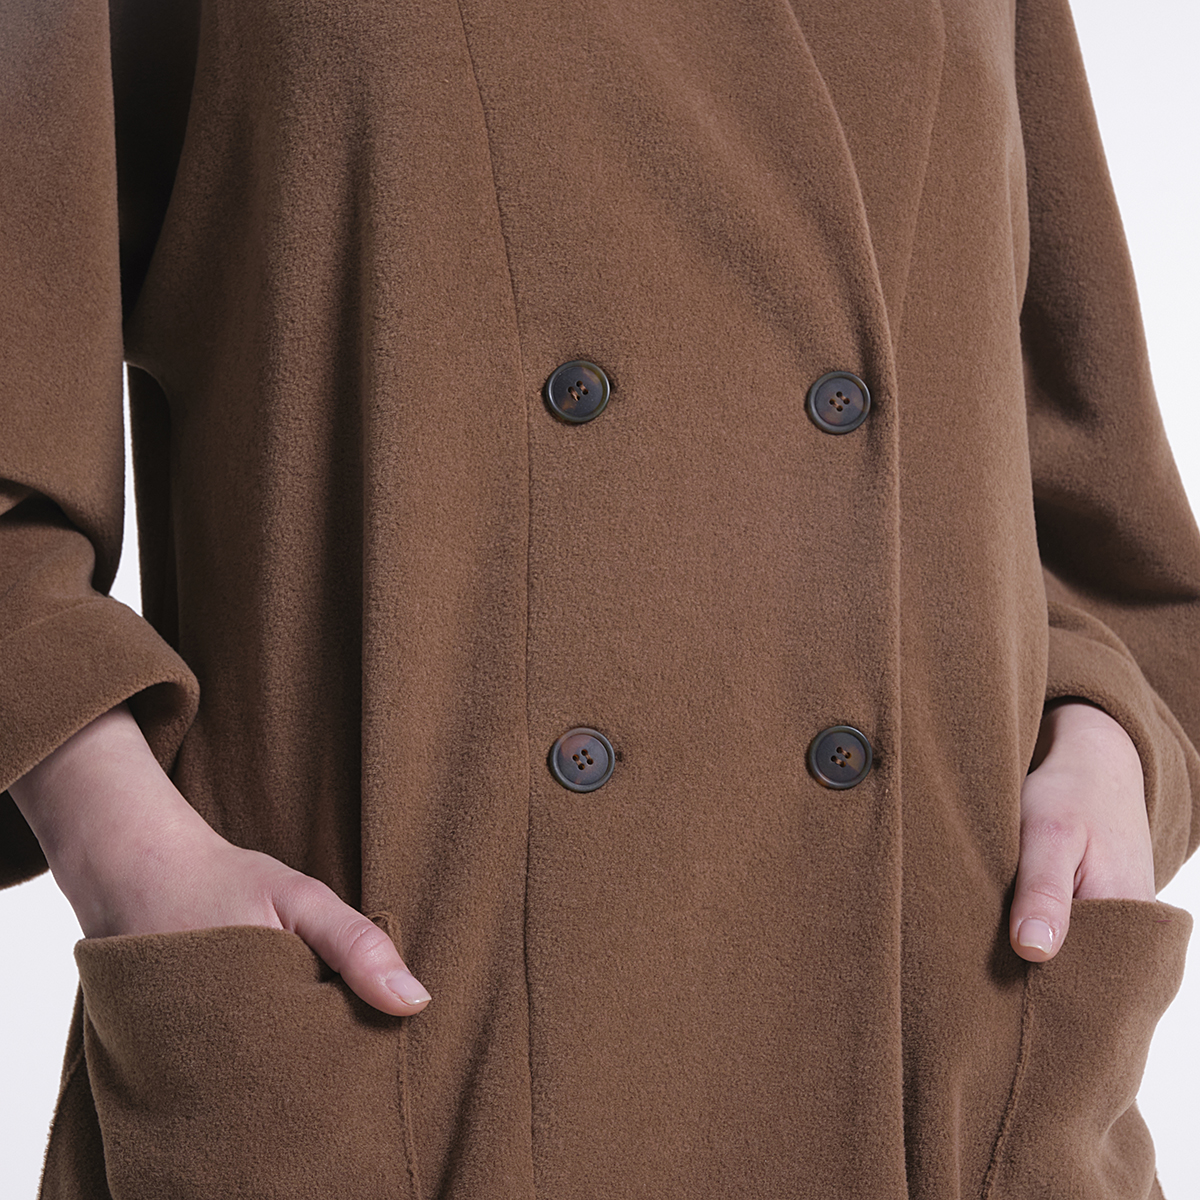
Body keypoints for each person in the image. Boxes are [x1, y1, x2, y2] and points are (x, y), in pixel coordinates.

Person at [2, 0, 1198, 1196]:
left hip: (945, 1065)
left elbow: (1093, 521)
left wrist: (1106, 742)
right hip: (402, 1057)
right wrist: (121, 839)